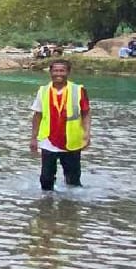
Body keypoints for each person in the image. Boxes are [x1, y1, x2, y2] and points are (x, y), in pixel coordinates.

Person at [29, 59, 91, 191]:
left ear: (68, 72)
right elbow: (37, 115)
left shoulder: (78, 90)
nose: (59, 74)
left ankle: (70, 207)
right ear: (50, 72)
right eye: (55, 70)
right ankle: (46, 206)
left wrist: (86, 134)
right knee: (46, 179)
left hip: (71, 140)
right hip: (48, 140)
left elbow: (85, 113)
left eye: (62, 70)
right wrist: (33, 138)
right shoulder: (43, 91)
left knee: (73, 180)